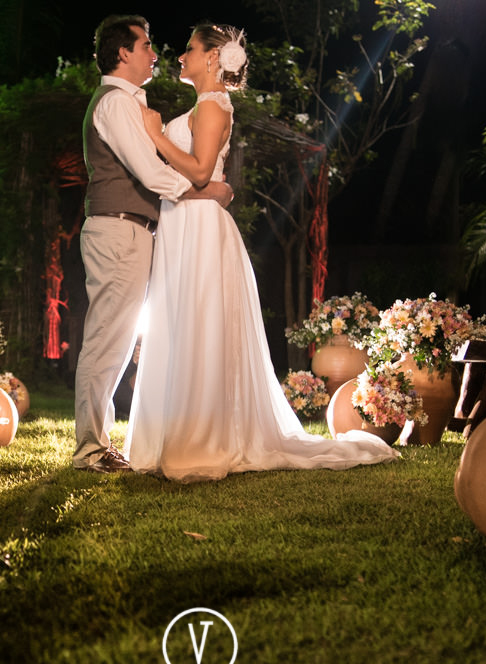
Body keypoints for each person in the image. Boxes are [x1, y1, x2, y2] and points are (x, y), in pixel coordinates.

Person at [125, 23, 399, 481]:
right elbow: (200, 179)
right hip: (182, 225)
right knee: (180, 322)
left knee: (200, 324)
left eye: (189, 49)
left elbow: (200, 171)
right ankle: (169, 433)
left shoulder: (213, 106)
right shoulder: (204, 104)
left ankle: (201, 437)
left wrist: (156, 135)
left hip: (200, 229)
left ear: (212, 57)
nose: (181, 57)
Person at [74, 15, 232, 473]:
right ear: (123, 52)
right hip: (118, 230)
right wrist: (208, 192)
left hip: (132, 230)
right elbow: (150, 172)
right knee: (107, 338)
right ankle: (90, 450)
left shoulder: (127, 102)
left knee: (118, 339)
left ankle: (96, 443)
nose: (155, 53)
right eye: (145, 45)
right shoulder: (115, 103)